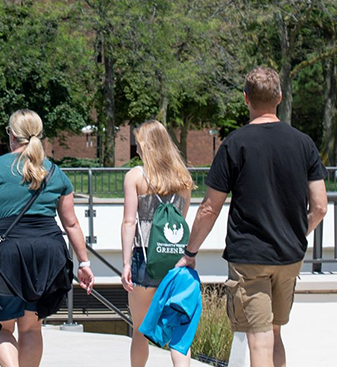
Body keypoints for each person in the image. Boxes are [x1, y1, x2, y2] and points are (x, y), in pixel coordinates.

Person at [176, 67, 328, 367]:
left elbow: (209, 208)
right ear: (280, 98)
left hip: (250, 257)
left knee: (258, 337)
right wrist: (297, 233)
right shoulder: (304, 143)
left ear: (246, 99)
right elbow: (320, 206)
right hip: (289, 256)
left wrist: (190, 251)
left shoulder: (235, 144)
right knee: (274, 333)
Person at [0, 109, 94, 367]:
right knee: (31, 329)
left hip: (7, 254)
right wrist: (84, 263)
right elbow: (71, 223)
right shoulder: (54, 172)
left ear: (11, 135)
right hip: (48, 253)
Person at [120, 120, 195, 367]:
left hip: (144, 259)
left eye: (139, 143)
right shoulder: (184, 180)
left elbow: (129, 222)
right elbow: (180, 225)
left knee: (140, 330)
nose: (136, 149)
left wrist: (125, 264)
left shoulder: (136, 176)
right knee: (180, 334)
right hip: (175, 262)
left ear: (147, 145)